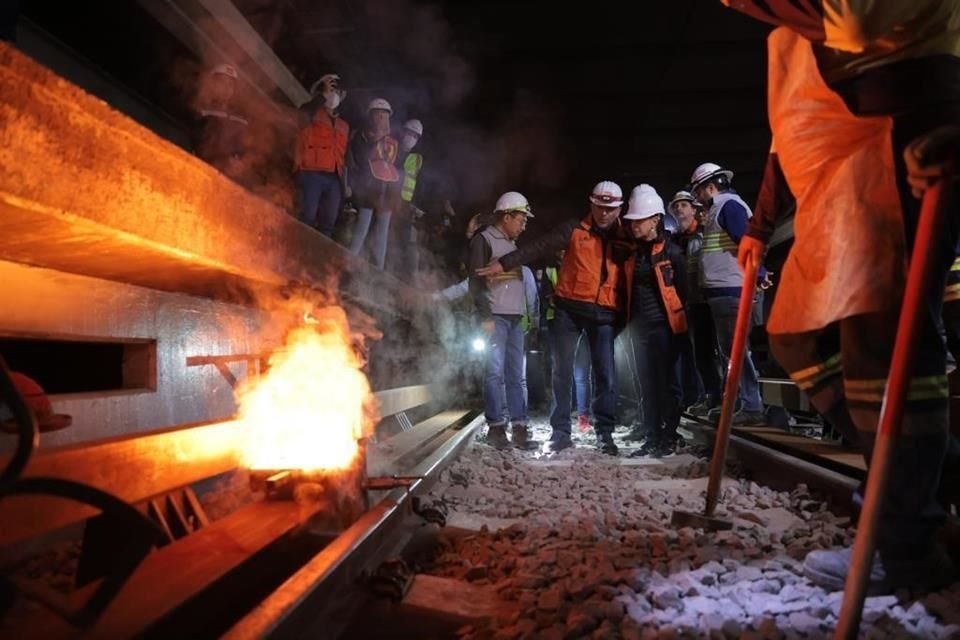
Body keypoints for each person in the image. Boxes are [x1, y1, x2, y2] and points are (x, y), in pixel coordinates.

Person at [726, 0, 960, 593]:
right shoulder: (798, 37)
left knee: (886, 349)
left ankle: (906, 547)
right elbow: (791, 126)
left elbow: (859, 21)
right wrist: (759, 224)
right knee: (794, 335)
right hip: (841, 170)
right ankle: (923, 470)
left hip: (900, 134)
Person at [476, 181, 632, 455]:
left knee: (605, 373)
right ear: (591, 204)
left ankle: (604, 433)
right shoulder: (573, 230)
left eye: (610, 209)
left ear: (619, 209)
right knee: (561, 373)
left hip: (604, 313)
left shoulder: (625, 236)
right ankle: (561, 432)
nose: (604, 214)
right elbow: (538, 246)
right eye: (599, 207)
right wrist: (503, 264)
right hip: (569, 311)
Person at [689, 162, 765, 425]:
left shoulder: (728, 206)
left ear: (710, 187)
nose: (697, 198)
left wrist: (760, 273)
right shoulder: (720, 209)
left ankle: (751, 406)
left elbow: (747, 242)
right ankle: (738, 404)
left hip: (731, 289)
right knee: (729, 352)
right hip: (723, 291)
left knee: (735, 352)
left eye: (698, 191)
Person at [622, 185, 689, 457]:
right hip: (639, 330)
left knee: (667, 383)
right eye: (632, 220)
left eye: (639, 220)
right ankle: (652, 436)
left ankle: (668, 436)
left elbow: (684, 291)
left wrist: (684, 328)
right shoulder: (632, 253)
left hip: (665, 327)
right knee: (646, 384)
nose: (634, 225)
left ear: (655, 220)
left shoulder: (672, 252)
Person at [467, 192, 537, 449]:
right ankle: (496, 428)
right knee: (495, 373)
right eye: (521, 219)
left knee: (517, 375)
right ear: (506, 217)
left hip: (515, 317)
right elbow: (475, 282)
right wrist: (485, 316)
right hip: (495, 316)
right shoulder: (483, 240)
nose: (524, 224)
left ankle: (519, 427)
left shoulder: (512, 245)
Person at [346, 98, 399, 269]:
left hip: (386, 190)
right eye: (378, 114)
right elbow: (361, 159)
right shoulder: (361, 135)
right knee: (362, 226)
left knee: (382, 231)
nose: (382, 118)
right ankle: (349, 263)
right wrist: (375, 141)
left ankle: (379, 270)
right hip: (368, 188)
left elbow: (393, 166)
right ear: (371, 116)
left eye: (385, 115)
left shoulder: (392, 141)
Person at [294, 74, 349, 237]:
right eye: (330, 89)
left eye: (336, 90)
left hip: (334, 179)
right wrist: (323, 96)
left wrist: (346, 184)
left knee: (328, 223)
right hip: (311, 174)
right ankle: (296, 254)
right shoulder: (311, 112)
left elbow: (344, 156)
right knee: (307, 218)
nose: (333, 94)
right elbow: (302, 116)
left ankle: (318, 260)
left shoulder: (343, 125)